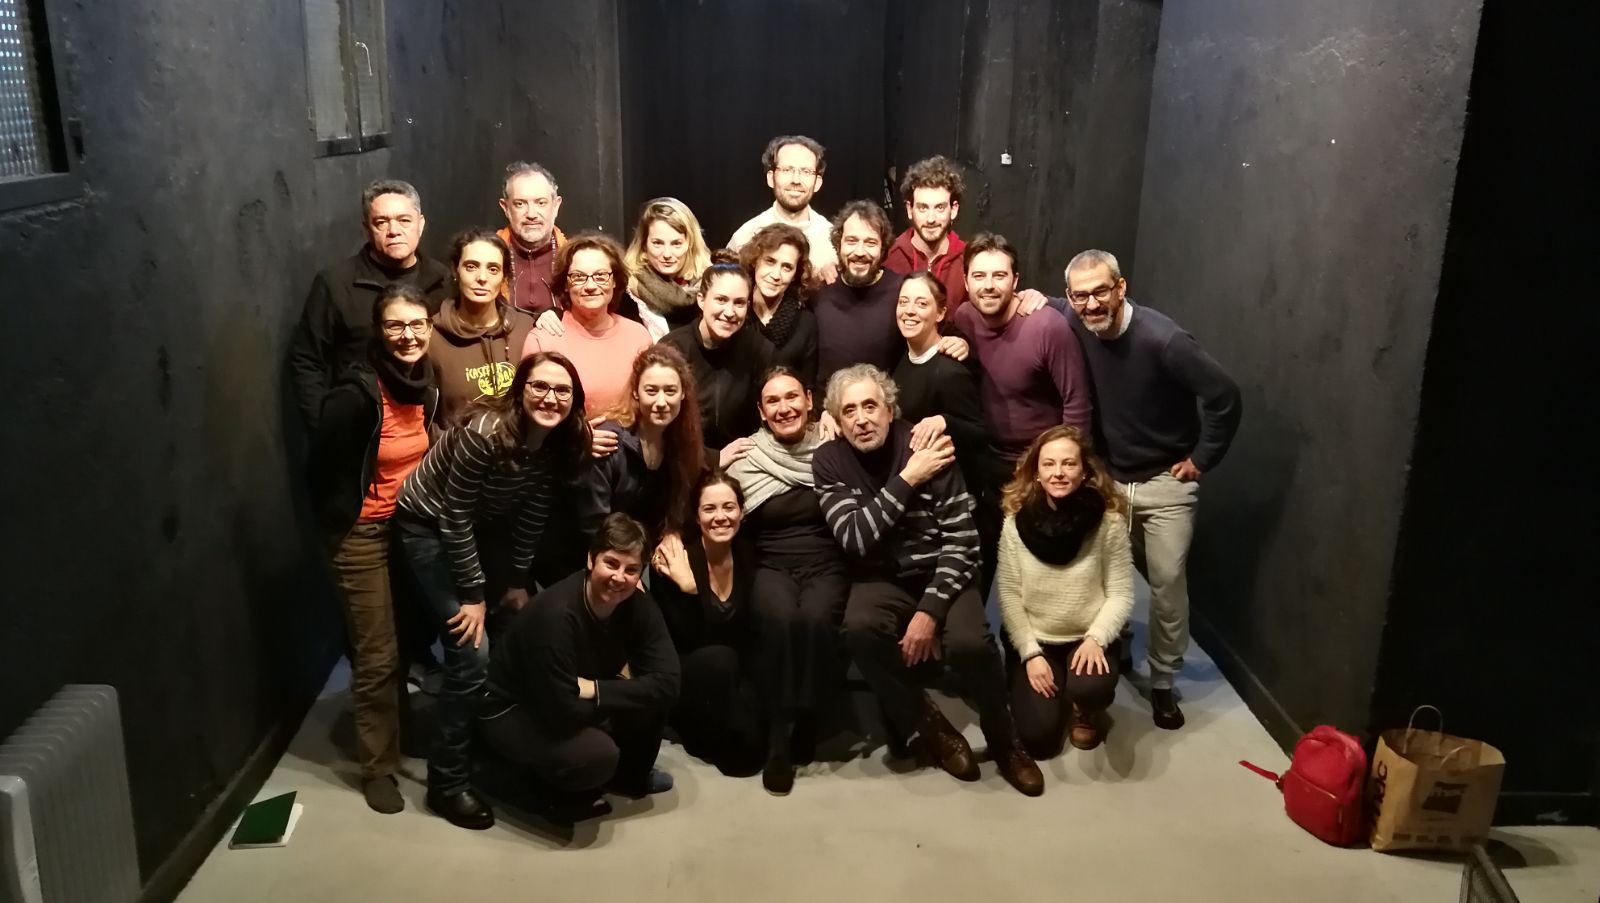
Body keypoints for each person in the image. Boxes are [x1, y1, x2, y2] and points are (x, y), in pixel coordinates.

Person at [813, 365, 1043, 797]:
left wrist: (929, 613)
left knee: (972, 643)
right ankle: (929, 723)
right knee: (859, 630)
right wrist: (907, 479)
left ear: (889, 409)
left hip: (943, 567)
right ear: (838, 422)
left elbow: (962, 539)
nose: (862, 419)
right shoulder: (829, 461)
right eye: (849, 411)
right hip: (881, 575)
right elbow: (856, 539)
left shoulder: (925, 445)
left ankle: (1004, 737)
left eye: (870, 406)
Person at [394, 352, 591, 829]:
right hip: (428, 524)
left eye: (562, 390)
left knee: (514, 629)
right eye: (539, 386)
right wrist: (473, 595)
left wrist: (518, 581)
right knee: (471, 652)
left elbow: (533, 511)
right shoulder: (485, 433)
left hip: (484, 526)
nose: (550, 398)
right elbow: (453, 516)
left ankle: (492, 748)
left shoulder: (559, 440)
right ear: (520, 391)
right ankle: (447, 781)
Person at [1052, 249, 1243, 730]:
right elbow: (1039, 303)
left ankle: (1162, 680)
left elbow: (1224, 396)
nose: (1091, 304)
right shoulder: (1071, 318)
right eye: (1080, 295)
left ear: (1121, 288)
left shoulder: (1165, 340)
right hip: (1109, 478)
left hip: (1165, 481)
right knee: (1101, 578)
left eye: (1101, 291)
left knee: (1167, 584)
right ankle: (1111, 648)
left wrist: (1203, 458)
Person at [307, 284, 440, 814]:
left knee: (406, 637)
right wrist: (347, 519)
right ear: (379, 332)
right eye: (395, 326)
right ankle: (378, 766)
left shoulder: (425, 384)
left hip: (408, 529)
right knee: (378, 652)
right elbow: (321, 470)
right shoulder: (355, 395)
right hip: (362, 533)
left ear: (429, 327)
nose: (408, 335)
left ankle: (400, 731)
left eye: (417, 324)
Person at [481, 513, 681, 802]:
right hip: (513, 707)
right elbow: (561, 711)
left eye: (631, 570)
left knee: (649, 699)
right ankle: (525, 782)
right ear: (591, 559)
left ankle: (627, 780)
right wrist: (615, 702)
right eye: (611, 563)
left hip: (571, 693)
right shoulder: (555, 614)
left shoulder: (638, 605)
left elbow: (670, 682)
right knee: (598, 754)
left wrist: (597, 690)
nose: (619, 577)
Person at [726, 366, 849, 795]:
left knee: (815, 619)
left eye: (792, 397)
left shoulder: (835, 450)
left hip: (827, 561)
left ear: (810, 400)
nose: (784, 408)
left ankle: (809, 716)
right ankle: (778, 735)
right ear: (761, 411)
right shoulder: (745, 459)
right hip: (770, 564)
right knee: (777, 619)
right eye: (773, 401)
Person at [952, 232, 1094, 595]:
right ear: (965, 281)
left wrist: (1066, 471)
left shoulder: (1047, 327)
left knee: (1042, 575)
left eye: (999, 275)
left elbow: (1077, 403)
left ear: (1016, 281)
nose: (988, 285)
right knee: (983, 562)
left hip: (1038, 470)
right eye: (979, 276)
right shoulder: (963, 319)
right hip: (988, 464)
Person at [997, 426, 1133, 758]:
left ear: (1084, 471)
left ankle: (1084, 707)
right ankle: (1048, 687)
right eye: (1049, 464)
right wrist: (1030, 654)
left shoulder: (1109, 523)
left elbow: (1120, 593)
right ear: (1036, 472)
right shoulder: (1014, 522)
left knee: (1091, 687)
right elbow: (1009, 595)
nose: (1058, 472)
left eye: (1069, 463)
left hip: (1085, 638)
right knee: (1039, 740)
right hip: (1037, 639)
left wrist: (1097, 637)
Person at [291, 179, 450, 430]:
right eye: (381, 222)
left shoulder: (443, 280)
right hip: (363, 431)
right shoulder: (336, 283)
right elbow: (307, 360)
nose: (394, 230)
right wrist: (325, 429)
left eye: (404, 220)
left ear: (420, 224)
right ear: (367, 229)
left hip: (429, 429)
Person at [650, 471, 765, 777]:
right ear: (696, 516)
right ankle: (687, 724)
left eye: (729, 507)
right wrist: (690, 589)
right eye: (709, 509)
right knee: (720, 658)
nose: (721, 517)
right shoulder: (674, 561)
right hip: (689, 668)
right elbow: (683, 637)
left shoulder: (748, 553)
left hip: (733, 670)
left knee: (754, 750)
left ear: (741, 512)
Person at [811, 200, 970, 396]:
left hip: (886, 410)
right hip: (827, 411)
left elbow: (939, 326)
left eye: (870, 243)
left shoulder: (902, 291)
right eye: (851, 241)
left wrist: (960, 342)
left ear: (883, 248)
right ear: (839, 244)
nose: (860, 252)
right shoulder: (819, 291)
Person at [576, 344, 706, 554]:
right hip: (602, 555)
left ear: (683, 393)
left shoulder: (680, 443)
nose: (661, 402)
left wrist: (671, 532)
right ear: (636, 393)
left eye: (670, 391)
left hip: (643, 552)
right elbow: (593, 527)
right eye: (651, 391)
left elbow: (676, 507)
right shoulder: (609, 440)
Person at [522, 233, 654, 417]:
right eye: (578, 276)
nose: (590, 285)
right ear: (565, 284)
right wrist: (582, 431)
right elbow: (529, 412)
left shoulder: (639, 336)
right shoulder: (543, 340)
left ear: (615, 281)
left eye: (600, 276)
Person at [659, 253, 774, 458]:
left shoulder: (759, 349)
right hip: (683, 460)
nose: (729, 312)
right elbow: (660, 425)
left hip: (743, 459)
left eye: (739, 303)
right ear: (701, 300)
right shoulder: (672, 349)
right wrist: (713, 458)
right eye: (721, 300)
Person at [891, 272, 993, 493]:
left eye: (922, 303)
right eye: (903, 302)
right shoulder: (901, 358)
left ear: (940, 313)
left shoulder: (950, 371)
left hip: (949, 494)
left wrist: (945, 421)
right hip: (916, 486)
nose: (909, 310)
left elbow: (980, 434)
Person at [428, 229, 535, 421]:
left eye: (493, 269)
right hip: (457, 440)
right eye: (471, 267)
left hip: (517, 439)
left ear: (504, 276)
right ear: (455, 270)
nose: (482, 278)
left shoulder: (526, 329)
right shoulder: (432, 337)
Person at [727, 135, 838, 281]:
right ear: (771, 178)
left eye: (806, 171)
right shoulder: (746, 236)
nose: (796, 180)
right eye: (786, 170)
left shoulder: (833, 241)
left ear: (817, 182)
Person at [884, 156, 969, 312]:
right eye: (923, 208)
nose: (931, 219)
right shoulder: (888, 257)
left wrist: (1020, 300)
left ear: (954, 209)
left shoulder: (969, 260)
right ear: (910, 209)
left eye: (940, 208)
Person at [739, 222, 818, 387]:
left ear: (796, 274)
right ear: (755, 260)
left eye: (787, 267)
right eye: (770, 261)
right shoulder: (734, 311)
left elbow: (808, 386)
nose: (776, 275)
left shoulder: (806, 323)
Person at [624, 197, 713, 341]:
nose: (667, 254)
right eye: (657, 243)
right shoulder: (628, 289)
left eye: (676, 244)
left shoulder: (710, 287)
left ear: (690, 244)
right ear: (644, 245)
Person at [496, 161, 567, 327]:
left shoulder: (574, 259)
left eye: (541, 203)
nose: (531, 214)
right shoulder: (487, 257)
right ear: (505, 208)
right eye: (520, 204)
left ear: (556, 206)